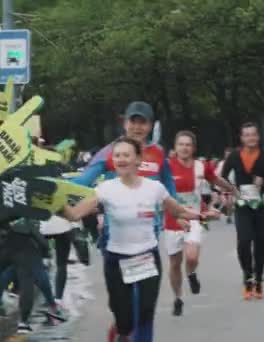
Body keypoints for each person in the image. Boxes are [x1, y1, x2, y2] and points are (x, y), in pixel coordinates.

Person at [62, 137, 207, 342]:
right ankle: (121, 332)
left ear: (138, 159)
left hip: (147, 257)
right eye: (117, 155)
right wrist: (56, 203)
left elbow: (177, 209)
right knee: (124, 318)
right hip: (116, 259)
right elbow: (74, 215)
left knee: (146, 311)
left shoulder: (154, 188)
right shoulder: (105, 189)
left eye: (126, 155)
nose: (121, 159)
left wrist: (199, 215)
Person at [71, 101, 176, 249]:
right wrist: (55, 188)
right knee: (116, 271)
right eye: (133, 122)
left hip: (149, 229)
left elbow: (169, 184)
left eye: (143, 123)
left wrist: (176, 212)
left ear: (151, 126)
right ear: (125, 123)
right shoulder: (109, 151)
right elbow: (83, 180)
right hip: (116, 229)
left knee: (150, 272)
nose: (137, 128)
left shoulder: (158, 152)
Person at [164, 131, 235, 316]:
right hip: (172, 220)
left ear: (193, 148)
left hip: (195, 217)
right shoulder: (167, 167)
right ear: (175, 147)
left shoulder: (201, 166)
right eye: (181, 144)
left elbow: (216, 179)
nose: (184, 148)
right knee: (174, 264)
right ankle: (178, 297)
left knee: (192, 256)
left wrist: (232, 189)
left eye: (188, 144)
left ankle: (191, 274)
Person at [220, 122, 264, 300]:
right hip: (243, 206)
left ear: (258, 136)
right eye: (246, 135)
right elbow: (222, 177)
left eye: (253, 134)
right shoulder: (235, 156)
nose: (250, 138)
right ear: (242, 137)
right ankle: (248, 277)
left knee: (260, 245)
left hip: (262, 206)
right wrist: (231, 190)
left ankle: (259, 279)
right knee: (244, 242)